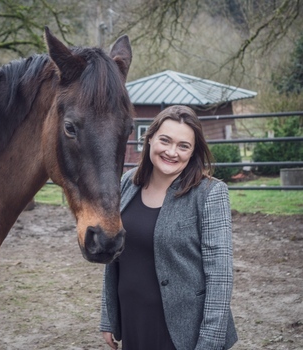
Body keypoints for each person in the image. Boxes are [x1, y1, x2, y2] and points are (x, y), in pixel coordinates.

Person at [100, 105, 238, 350]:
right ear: (150, 138)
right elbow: (115, 257)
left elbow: (220, 275)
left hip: (182, 330)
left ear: (193, 151)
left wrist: (210, 342)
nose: (172, 152)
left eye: (183, 146)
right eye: (165, 140)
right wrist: (109, 317)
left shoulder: (209, 193)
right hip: (133, 319)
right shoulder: (126, 183)